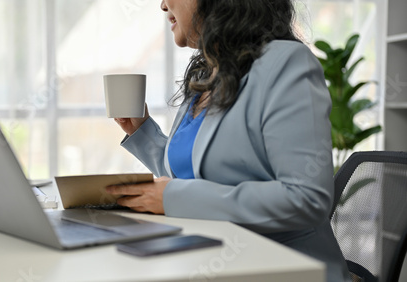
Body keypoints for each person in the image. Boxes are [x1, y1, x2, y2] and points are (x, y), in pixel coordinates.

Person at [106, 0, 351, 281]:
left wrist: (172, 197)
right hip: (214, 263)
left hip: (283, 271)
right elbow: (191, 175)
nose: (162, 5)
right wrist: (141, 130)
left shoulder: (286, 63)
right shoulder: (207, 74)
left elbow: (306, 198)